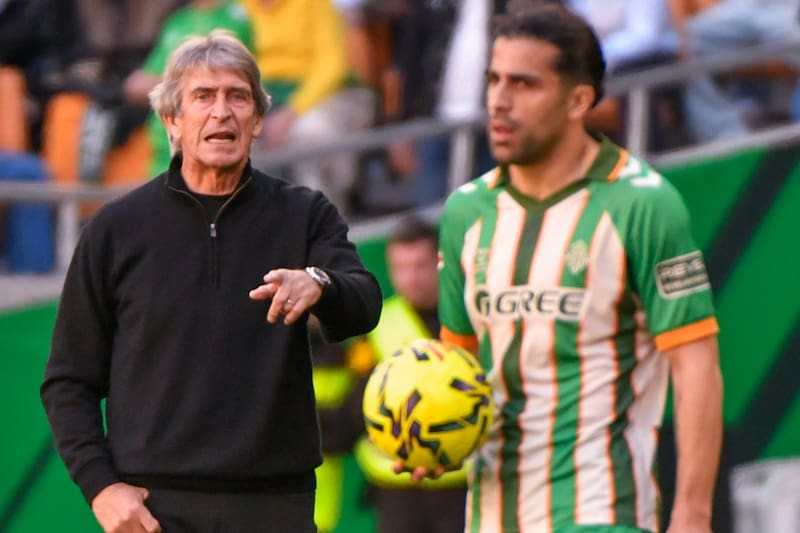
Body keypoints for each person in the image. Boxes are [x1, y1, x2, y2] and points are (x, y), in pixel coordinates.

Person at [40, 32, 382, 533]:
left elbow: (365, 300)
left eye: (237, 96)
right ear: (171, 121)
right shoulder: (115, 230)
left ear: (258, 119)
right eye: (203, 96)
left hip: (275, 505)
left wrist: (320, 283)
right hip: (154, 511)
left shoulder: (304, 214)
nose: (221, 111)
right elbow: (68, 381)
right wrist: (102, 487)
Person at [410, 4, 724, 533]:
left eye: (524, 84)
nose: (499, 102)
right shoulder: (465, 212)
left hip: (602, 513)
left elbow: (695, 367)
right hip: (490, 518)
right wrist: (432, 440)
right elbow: (455, 370)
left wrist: (693, 512)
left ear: (578, 100)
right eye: (493, 80)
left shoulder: (643, 205)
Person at [355, 215, 469, 533]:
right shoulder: (379, 324)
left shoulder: (469, 317)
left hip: (460, 481)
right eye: (401, 268)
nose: (411, 278)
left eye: (420, 265)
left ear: (439, 262)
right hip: (397, 485)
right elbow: (358, 403)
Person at [239, 0, 376, 215]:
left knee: (311, 132)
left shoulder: (315, 4)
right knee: (233, 140)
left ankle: (324, 224)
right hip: (262, 96)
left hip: (324, 94)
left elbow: (333, 65)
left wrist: (292, 112)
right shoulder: (238, 8)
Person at [123, 0, 254, 176]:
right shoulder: (178, 20)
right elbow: (143, 79)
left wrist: (160, 83)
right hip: (163, 145)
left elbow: (216, 77)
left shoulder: (235, 15)